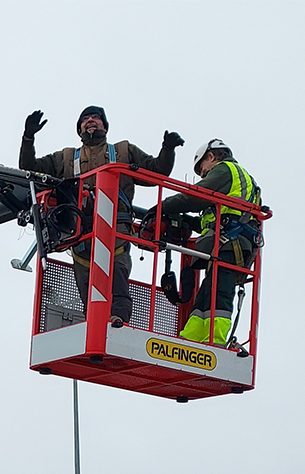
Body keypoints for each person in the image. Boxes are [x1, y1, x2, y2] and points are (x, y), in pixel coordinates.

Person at [20, 106, 183, 326]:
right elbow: (30, 170)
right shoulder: (66, 158)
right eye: (85, 119)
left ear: (105, 126)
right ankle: (94, 326)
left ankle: (119, 323)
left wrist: (168, 149)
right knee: (88, 288)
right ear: (79, 129)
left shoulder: (124, 151)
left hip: (116, 231)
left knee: (117, 281)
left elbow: (156, 171)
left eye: (96, 118)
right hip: (81, 235)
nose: (90, 121)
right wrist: (28, 138)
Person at [149, 139, 261, 347]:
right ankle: (190, 338)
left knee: (220, 293)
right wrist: (183, 221)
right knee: (206, 294)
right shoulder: (237, 181)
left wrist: (162, 207)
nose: (202, 175)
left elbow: (196, 197)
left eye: (202, 170)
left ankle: (215, 341)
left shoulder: (225, 170)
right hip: (228, 241)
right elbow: (214, 220)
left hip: (231, 243)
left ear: (211, 157)